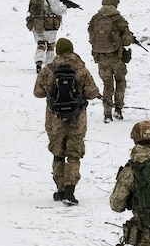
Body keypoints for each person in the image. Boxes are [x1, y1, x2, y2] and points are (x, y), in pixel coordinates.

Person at [33, 38, 101, 206]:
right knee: (74, 154)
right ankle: (70, 191)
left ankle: (60, 189)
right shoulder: (81, 69)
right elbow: (92, 93)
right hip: (77, 120)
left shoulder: (49, 70)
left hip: (54, 120)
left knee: (58, 154)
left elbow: (38, 92)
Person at [87, 0, 136, 122]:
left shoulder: (95, 19)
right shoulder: (118, 19)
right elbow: (126, 40)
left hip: (101, 58)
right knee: (120, 82)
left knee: (107, 85)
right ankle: (118, 109)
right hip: (117, 58)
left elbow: (91, 37)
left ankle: (107, 114)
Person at [26, 0, 68, 73]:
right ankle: (50, 65)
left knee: (40, 44)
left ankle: (39, 61)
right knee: (50, 45)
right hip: (50, 25)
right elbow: (57, 11)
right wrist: (65, 8)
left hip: (36, 25)